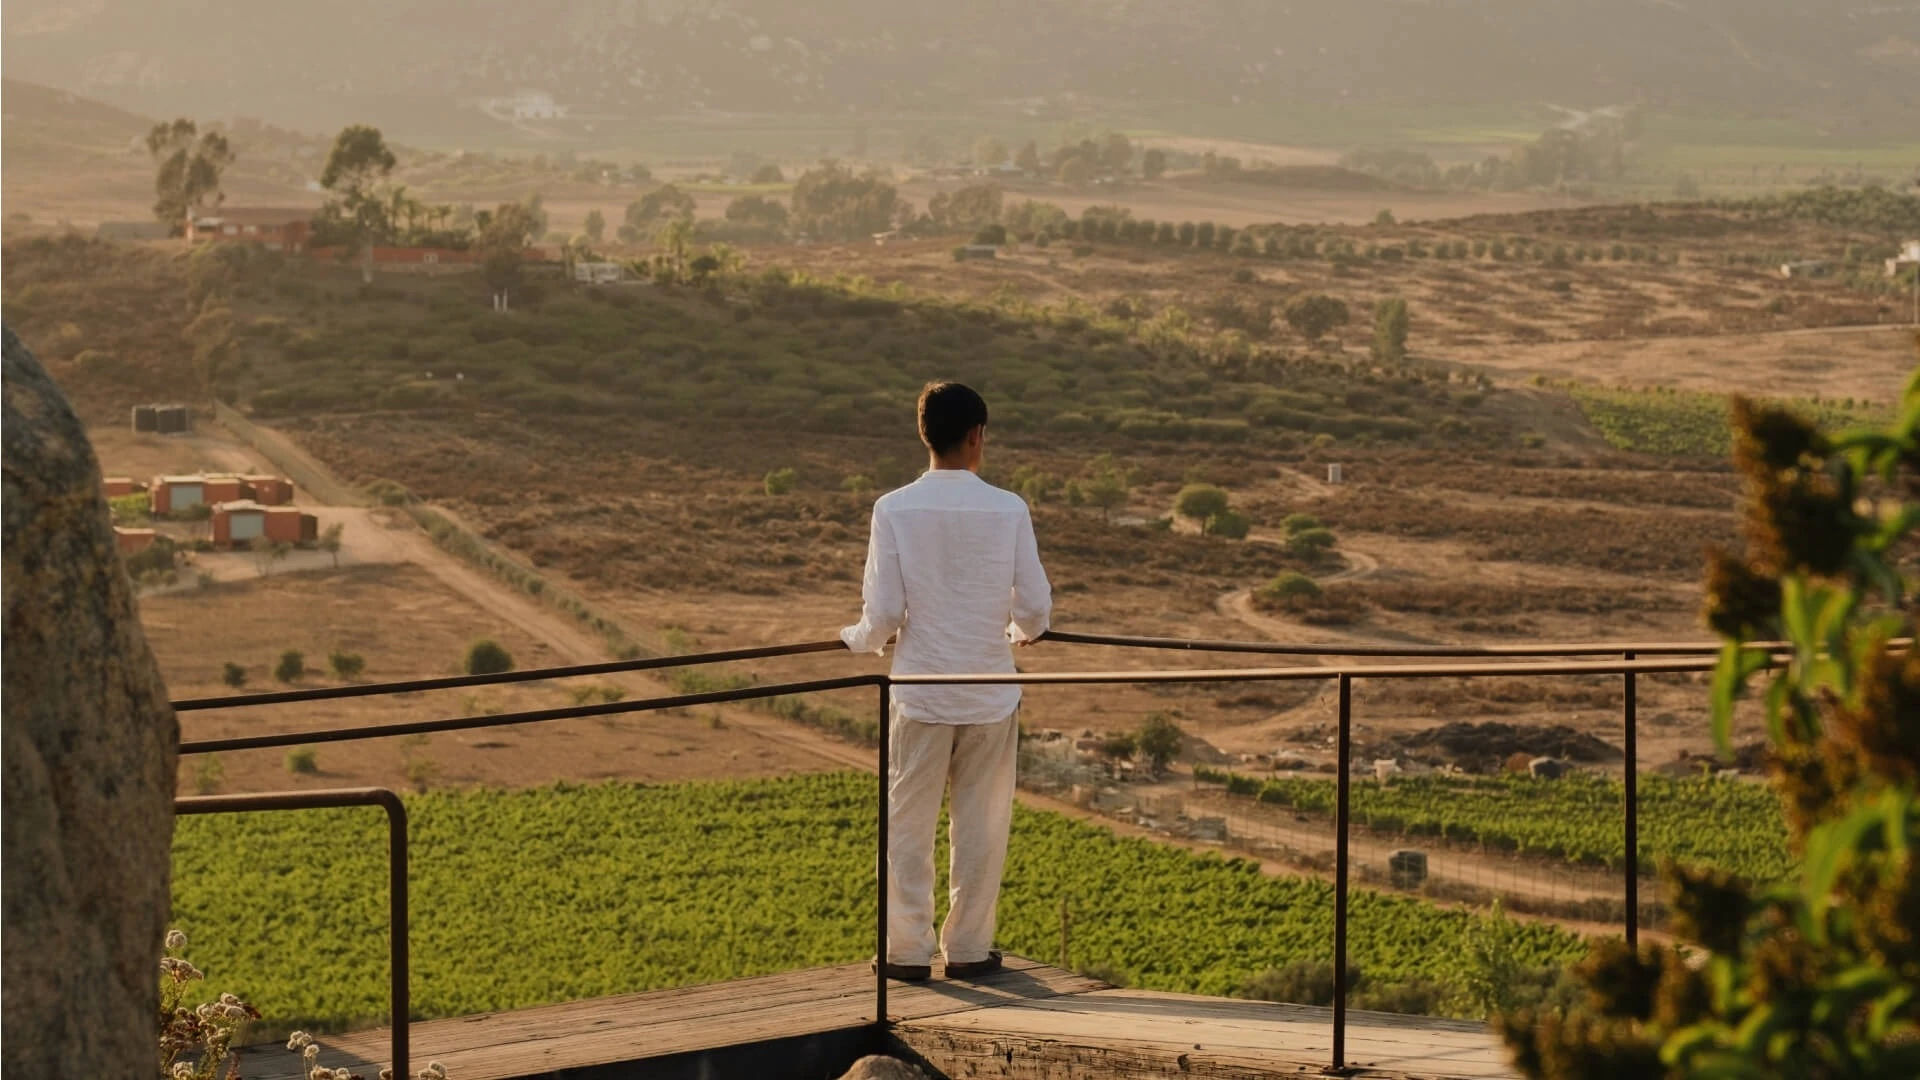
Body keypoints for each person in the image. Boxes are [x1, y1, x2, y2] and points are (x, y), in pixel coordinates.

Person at [840, 381, 1052, 981]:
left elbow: (881, 615)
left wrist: (855, 639)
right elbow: (1035, 609)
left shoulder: (893, 508)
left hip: (920, 692)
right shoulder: (1009, 508)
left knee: (908, 826)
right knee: (982, 826)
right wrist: (1017, 631)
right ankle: (968, 951)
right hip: (989, 692)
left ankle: (905, 954)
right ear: (977, 436)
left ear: (923, 433)